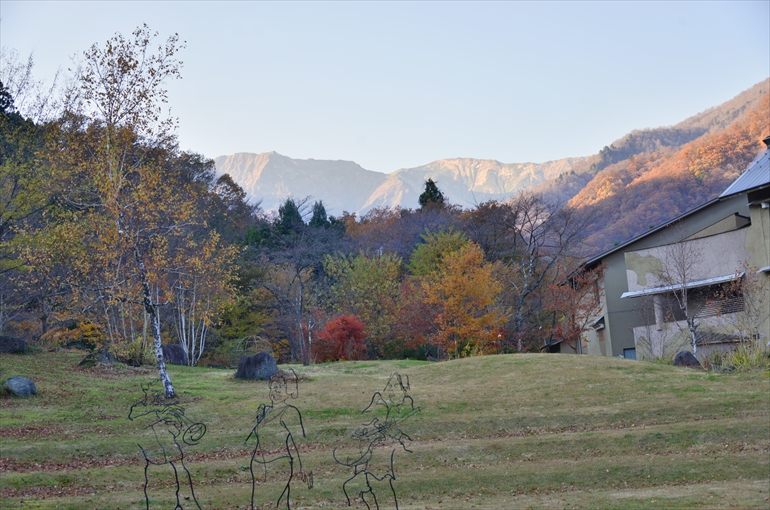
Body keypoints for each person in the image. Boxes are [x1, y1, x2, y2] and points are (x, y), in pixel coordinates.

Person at [334, 372, 419, 510]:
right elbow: (367, 423)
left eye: (395, 387)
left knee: (380, 484)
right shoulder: (383, 406)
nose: (390, 391)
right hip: (373, 457)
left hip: (383, 461)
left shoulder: (406, 409)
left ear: (404, 389)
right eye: (389, 387)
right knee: (368, 486)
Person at [128, 383, 206, 510]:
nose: (152, 394)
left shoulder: (160, 407)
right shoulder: (138, 407)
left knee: (181, 476)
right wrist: (159, 415)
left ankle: (180, 502)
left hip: (170, 450)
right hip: (154, 453)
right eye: (148, 390)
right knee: (153, 481)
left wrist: (174, 422)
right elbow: (135, 419)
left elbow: (175, 430)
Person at [247, 369, 311, 510]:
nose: (276, 391)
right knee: (259, 504)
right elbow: (256, 436)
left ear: (290, 390)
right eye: (274, 387)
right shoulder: (266, 411)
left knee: (271, 503)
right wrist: (259, 419)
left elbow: (299, 442)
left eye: (281, 387)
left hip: (279, 465)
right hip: (258, 465)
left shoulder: (290, 412)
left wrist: (303, 468)